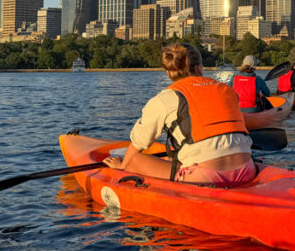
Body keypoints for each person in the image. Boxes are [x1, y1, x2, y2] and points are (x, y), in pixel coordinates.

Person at [102, 43, 256, 187]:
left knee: (134, 160)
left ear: (168, 72)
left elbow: (139, 143)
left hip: (206, 177)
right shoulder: (227, 90)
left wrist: (123, 165)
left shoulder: (164, 99)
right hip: (247, 170)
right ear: (200, 67)